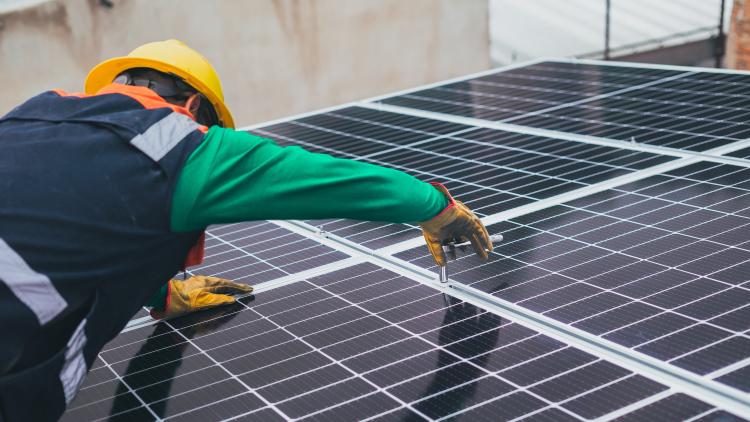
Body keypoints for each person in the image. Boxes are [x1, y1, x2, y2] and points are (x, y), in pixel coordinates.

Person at [0, 39, 492, 421]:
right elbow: (325, 178)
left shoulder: (33, 113)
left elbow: (83, 217)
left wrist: (162, 295)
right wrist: (436, 207)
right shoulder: (181, 145)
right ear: (195, 107)